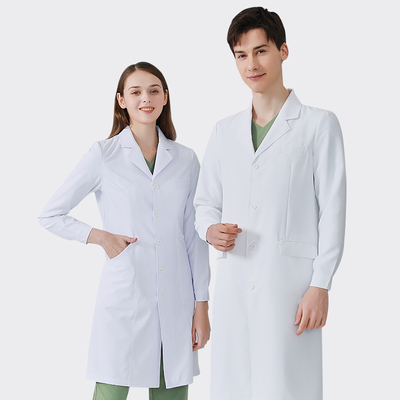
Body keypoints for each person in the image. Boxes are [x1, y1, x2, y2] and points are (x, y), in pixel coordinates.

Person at [194, 7, 346, 400]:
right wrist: (209, 229)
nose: (251, 65)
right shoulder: (224, 131)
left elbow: (333, 210)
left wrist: (321, 284)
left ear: (283, 51)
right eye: (241, 55)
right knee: (233, 387)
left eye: (261, 51)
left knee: (286, 388)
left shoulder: (318, 124)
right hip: (234, 284)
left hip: (290, 287)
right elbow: (205, 202)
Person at [39, 62, 210, 400]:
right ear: (121, 100)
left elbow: (194, 238)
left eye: (154, 91)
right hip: (125, 297)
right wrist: (100, 237)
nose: (146, 98)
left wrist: (201, 306)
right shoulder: (104, 155)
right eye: (136, 92)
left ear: (165, 98)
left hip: (176, 301)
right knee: (111, 390)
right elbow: (51, 214)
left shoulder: (186, 160)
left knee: (172, 391)